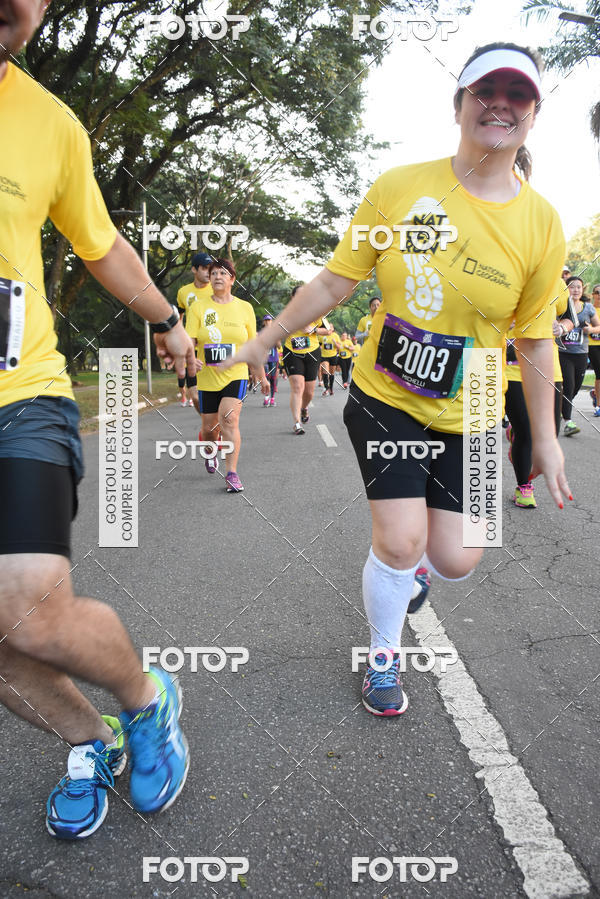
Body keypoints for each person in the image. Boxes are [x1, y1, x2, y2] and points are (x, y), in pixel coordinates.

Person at [225, 43, 571, 717]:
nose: (500, 103)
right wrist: (265, 338)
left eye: (517, 95)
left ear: (532, 115)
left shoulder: (543, 223)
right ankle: (384, 654)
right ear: (460, 103)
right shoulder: (400, 187)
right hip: (386, 393)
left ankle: (412, 573)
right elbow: (334, 278)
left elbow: (533, 338)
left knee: (460, 558)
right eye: (485, 90)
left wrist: (548, 440)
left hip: (472, 397)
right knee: (401, 537)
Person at [0, 1, 193, 839]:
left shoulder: (51, 122)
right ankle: (91, 737)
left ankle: (147, 701)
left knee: (27, 610)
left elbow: (101, 242)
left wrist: (167, 319)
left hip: (21, 396)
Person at [186, 258, 268, 491]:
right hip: (208, 378)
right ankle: (210, 448)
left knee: (229, 420)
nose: (218, 277)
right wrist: (192, 358)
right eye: (213, 273)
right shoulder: (198, 307)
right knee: (210, 429)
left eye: (223, 273)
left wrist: (261, 375)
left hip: (236, 374)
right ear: (209, 279)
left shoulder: (245, 308)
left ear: (232, 279)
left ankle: (231, 473)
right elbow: (189, 342)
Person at [505, 284, 568, 508]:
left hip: (548, 366)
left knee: (551, 432)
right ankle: (524, 487)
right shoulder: (503, 273)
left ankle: (516, 433)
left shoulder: (556, 282)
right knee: (528, 432)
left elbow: (569, 316)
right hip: (510, 366)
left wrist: (561, 327)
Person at [282, 285, 332, 434]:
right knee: (297, 387)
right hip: (292, 351)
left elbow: (329, 330)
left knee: (309, 392)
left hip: (312, 352)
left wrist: (313, 330)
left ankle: (304, 408)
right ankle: (297, 423)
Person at [557, 276, 600, 436]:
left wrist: (591, 330)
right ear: (566, 289)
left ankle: (561, 408)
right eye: (572, 287)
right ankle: (568, 422)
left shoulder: (588, 308)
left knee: (574, 389)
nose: (575, 290)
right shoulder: (560, 307)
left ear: (582, 290)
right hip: (563, 353)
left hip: (581, 354)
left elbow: (598, 326)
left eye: (578, 287)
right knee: (568, 386)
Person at [176, 251, 213, 406]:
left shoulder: (216, 288)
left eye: (210, 268)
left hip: (212, 345)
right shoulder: (183, 292)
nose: (208, 272)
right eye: (204, 268)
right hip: (191, 347)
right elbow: (179, 317)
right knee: (195, 394)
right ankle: (209, 424)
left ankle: (213, 427)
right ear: (194, 270)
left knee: (214, 392)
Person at [261, 313, 279, 406]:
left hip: (273, 359)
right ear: (264, 322)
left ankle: (272, 398)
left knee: (272, 378)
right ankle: (266, 397)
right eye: (266, 320)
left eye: (269, 320)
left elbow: (279, 346)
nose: (268, 322)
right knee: (265, 378)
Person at [587, 284, 600, 415]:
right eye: (597, 292)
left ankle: (595, 393)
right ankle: (598, 405)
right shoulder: (590, 309)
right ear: (593, 295)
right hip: (593, 344)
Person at [320, 326, 341, 396]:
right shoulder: (322, 335)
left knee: (331, 373)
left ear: (333, 329)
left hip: (333, 356)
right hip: (324, 356)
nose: (329, 328)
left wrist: (335, 342)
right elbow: (318, 344)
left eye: (330, 327)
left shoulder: (335, 336)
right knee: (325, 371)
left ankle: (331, 388)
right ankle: (326, 387)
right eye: (327, 326)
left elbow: (339, 347)